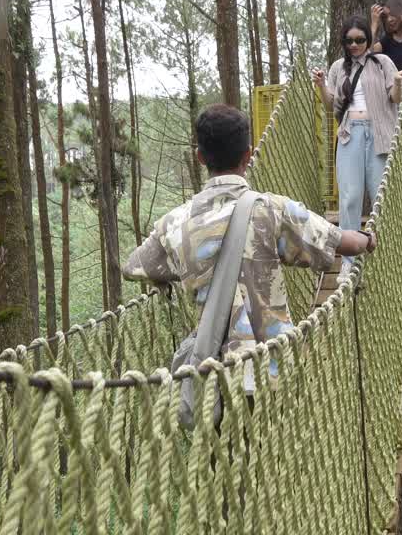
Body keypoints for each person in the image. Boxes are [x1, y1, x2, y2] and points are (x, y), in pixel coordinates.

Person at [122, 103, 375, 389]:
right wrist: (368, 238)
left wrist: (182, 266)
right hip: (272, 368)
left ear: (200, 157)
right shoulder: (272, 210)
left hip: (213, 374)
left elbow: (133, 267)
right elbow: (341, 241)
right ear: (248, 154)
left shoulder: (174, 223)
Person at [313, 15, 402, 282]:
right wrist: (321, 86)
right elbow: (331, 106)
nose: (354, 45)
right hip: (349, 134)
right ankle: (348, 263)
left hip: (379, 134)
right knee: (350, 198)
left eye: (360, 40)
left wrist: (398, 81)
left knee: (380, 197)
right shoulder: (338, 68)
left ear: (368, 39)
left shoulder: (382, 62)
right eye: (349, 40)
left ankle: (385, 259)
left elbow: (395, 98)